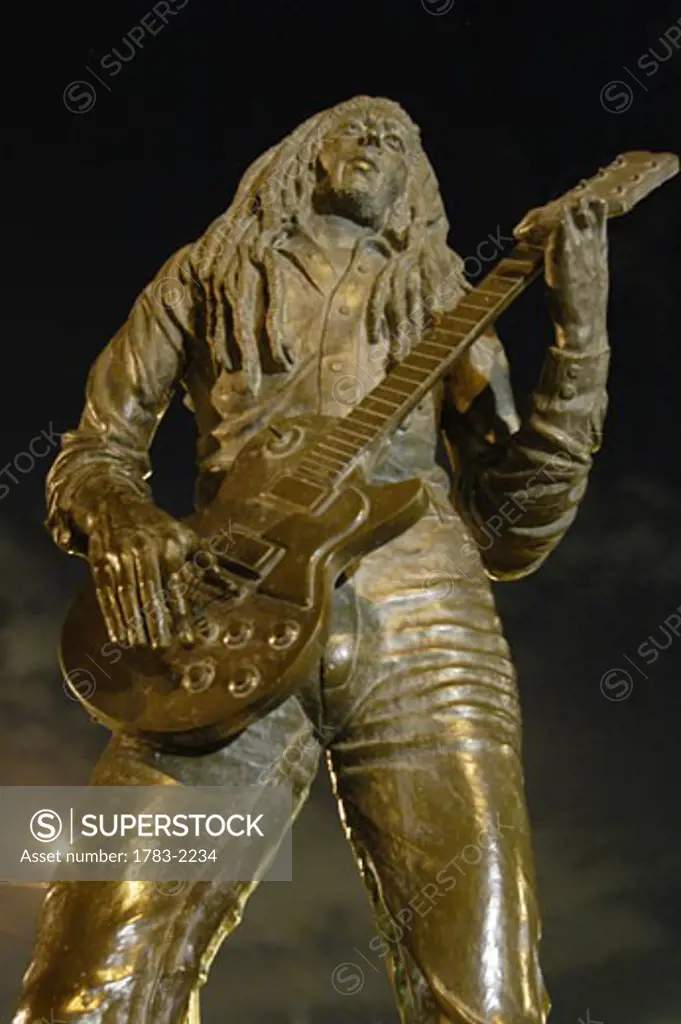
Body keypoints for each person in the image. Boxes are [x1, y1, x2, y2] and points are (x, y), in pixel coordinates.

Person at [14, 94, 610, 1023]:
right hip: (221, 612)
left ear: (417, 185)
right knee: (83, 982)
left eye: (402, 141)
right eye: (357, 128)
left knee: (482, 996)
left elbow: (513, 530)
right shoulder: (206, 274)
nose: (379, 143)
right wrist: (120, 513)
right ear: (298, 156)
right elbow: (94, 448)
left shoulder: (444, 302)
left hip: (425, 619)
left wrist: (580, 339)